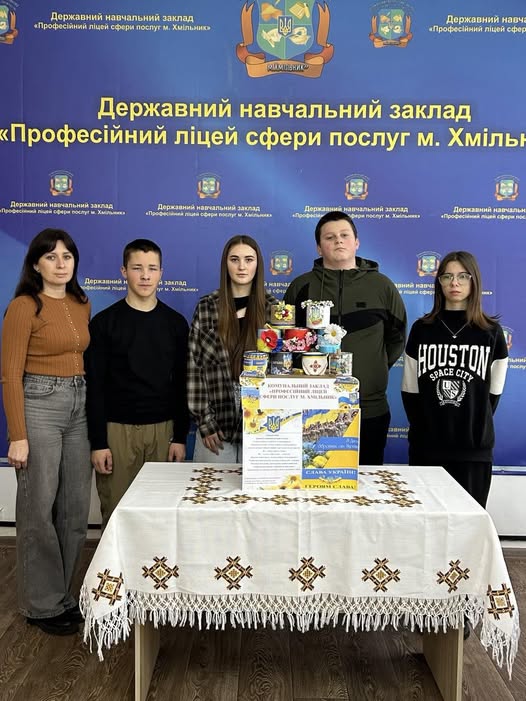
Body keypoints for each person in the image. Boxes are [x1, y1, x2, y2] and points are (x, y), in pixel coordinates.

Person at [1, 228, 91, 636]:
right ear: (36, 264)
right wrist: (17, 434)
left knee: (74, 507)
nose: (60, 264)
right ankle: (41, 604)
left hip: (78, 403)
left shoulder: (80, 303)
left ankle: (62, 596)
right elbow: (10, 375)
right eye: (51, 257)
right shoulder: (24, 307)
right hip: (39, 404)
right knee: (38, 507)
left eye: (66, 256)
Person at [284, 211, 407, 465]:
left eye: (344, 235)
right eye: (329, 237)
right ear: (319, 248)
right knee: (315, 481)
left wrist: (373, 367)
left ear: (356, 242)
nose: (338, 241)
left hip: (369, 408)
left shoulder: (382, 286)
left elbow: (396, 339)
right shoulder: (300, 287)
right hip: (312, 408)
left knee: (368, 482)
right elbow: (287, 343)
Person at [85, 239, 189, 528]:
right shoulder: (104, 324)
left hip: (163, 431)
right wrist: (99, 443)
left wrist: (180, 437)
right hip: (117, 432)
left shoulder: (176, 324)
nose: (145, 276)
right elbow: (95, 387)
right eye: (137, 268)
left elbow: (182, 384)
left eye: (152, 268)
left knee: (160, 516)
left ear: (161, 273)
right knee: (117, 516)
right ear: (124, 271)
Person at [401, 251, 508, 508]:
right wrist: (426, 430)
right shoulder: (422, 330)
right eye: (447, 276)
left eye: (463, 276)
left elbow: (492, 396)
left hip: (473, 449)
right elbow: (410, 390)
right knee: (426, 522)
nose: (455, 283)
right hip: (427, 447)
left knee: (469, 522)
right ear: (439, 282)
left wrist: (472, 426)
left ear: (474, 281)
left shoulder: (491, 332)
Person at [188, 235, 277, 463]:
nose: (241, 266)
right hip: (216, 424)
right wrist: (205, 422)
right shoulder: (207, 306)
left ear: (258, 265)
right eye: (234, 259)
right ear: (225, 264)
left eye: (249, 260)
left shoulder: (274, 310)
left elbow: (281, 369)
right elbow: (194, 367)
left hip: (261, 424)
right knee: (211, 486)